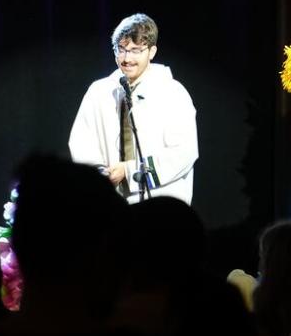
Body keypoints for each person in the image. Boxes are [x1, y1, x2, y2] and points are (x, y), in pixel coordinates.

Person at [69, 12, 198, 203]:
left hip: (160, 204)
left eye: (136, 50)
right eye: (121, 49)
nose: (127, 58)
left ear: (151, 52)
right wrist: (99, 175)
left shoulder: (173, 93)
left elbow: (183, 153)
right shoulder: (99, 91)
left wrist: (129, 171)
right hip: (112, 205)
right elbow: (82, 144)